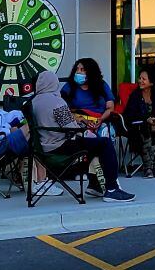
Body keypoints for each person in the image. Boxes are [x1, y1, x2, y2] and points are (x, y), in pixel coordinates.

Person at [29, 68, 134, 200]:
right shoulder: (56, 102)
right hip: (60, 145)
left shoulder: (34, 101)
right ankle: (112, 188)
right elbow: (70, 127)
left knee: (92, 146)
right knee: (104, 143)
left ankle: (94, 185)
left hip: (44, 146)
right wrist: (82, 126)